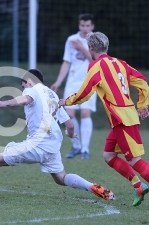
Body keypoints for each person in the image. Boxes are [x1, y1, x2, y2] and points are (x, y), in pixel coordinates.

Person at [59, 32, 149, 211]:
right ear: (106, 47)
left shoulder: (95, 66)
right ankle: (138, 187)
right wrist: (142, 105)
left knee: (134, 160)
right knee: (109, 155)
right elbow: (142, 81)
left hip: (122, 119)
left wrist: (65, 101)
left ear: (91, 48)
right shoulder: (120, 63)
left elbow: (83, 94)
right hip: (123, 118)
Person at [0, 69, 115, 201]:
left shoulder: (32, 89)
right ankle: (92, 186)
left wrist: (3, 103)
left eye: (23, 85)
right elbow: (70, 124)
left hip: (38, 144)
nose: (24, 88)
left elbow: (24, 100)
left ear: (29, 81)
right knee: (61, 178)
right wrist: (70, 134)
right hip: (53, 145)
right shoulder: (53, 95)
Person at [51, 14, 96, 160]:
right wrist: (58, 82)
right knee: (69, 115)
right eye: (82, 25)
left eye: (88, 25)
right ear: (79, 26)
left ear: (92, 26)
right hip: (72, 82)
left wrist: (83, 48)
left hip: (90, 82)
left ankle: (85, 149)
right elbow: (66, 62)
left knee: (85, 113)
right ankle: (76, 146)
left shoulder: (97, 40)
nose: (85, 28)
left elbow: (96, 61)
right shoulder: (71, 40)